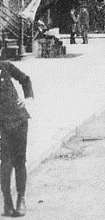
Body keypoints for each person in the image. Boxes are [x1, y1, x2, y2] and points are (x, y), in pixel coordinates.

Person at [0, 60, 33, 217]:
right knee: (5, 163)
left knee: (20, 162)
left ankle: (21, 199)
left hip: (19, 120)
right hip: (2, 125)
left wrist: (27, 98)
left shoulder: (6, 66)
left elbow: (25, 79)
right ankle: (7, 201)